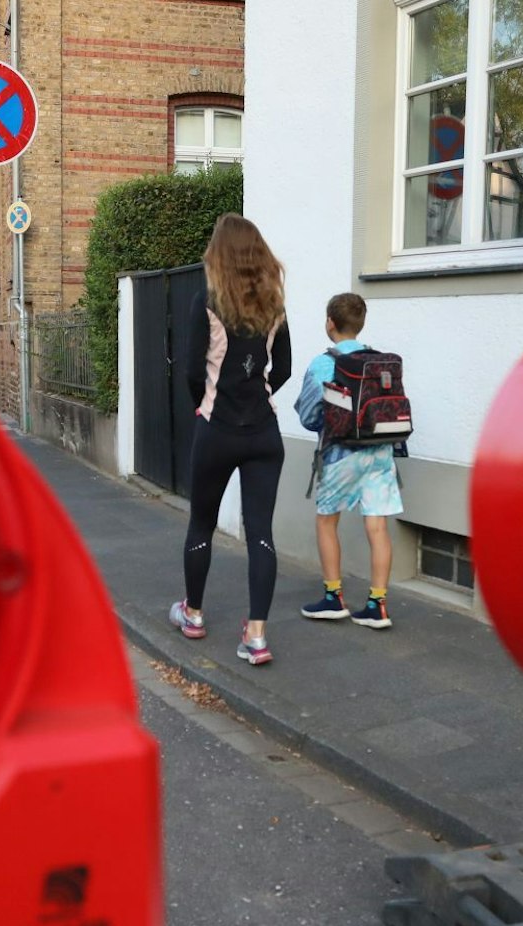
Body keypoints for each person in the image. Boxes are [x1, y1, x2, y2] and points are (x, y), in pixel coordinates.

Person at [169, 214, 294, 667]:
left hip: (216, 429)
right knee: (261, 532)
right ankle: (257, 637)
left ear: (218, 253)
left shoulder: (206, 298)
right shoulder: (274, 304)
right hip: (264, 434)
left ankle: (194, 614)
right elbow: (282, 369)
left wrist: (203, 403)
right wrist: (256, 396)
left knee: (201, 523)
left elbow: (189, 369)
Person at [296, 292, 400, 629]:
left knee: (327, 520)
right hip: (380, 452)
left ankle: (333, 597)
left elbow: (310, 415)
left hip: (341, 453)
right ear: (361, 323)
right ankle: (377, 605)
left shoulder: (323, 363)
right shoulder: (379, 362)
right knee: (378, 525)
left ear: (330, 322)